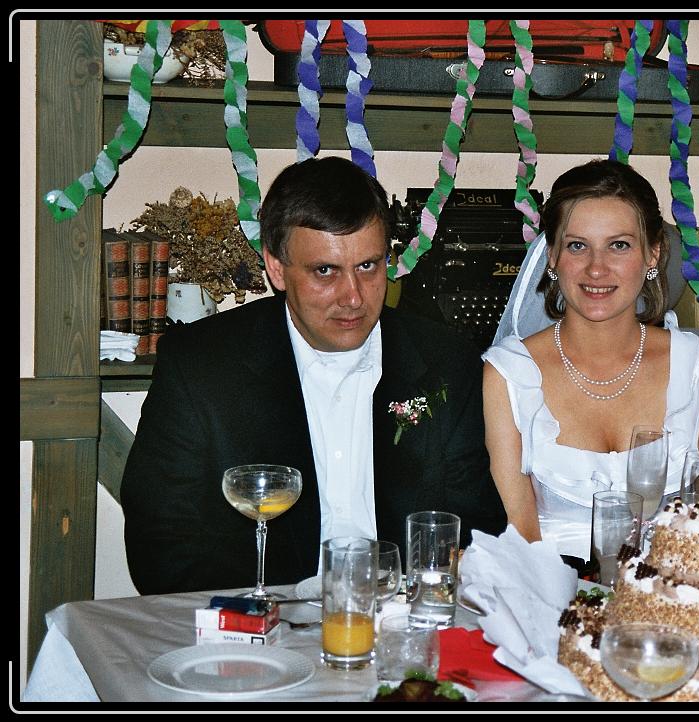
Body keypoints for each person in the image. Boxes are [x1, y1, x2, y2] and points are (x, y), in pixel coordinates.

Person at [122, 156, 506, 595]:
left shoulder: (446, 361)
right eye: (326, 271)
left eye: (368, 266)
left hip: (403, 615)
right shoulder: (202, 365)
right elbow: (161, 542)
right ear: (276, 268)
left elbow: (476, 527)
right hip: (258, 620)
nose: (353, 297)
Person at [482, 159, 699, 562]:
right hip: (549, 589)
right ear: (552, 256)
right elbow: (523, 535)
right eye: (577, 245)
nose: (596, 268)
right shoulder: (509, 375)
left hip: (677, 589)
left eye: (619, 245)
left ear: (653, 254)